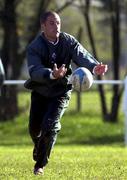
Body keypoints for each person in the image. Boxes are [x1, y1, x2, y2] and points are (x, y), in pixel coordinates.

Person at [25, 11, 108, 175]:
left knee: (50, 126)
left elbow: (81, 54)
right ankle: (40, 145)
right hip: (40, 91)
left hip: (60, 92)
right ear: (43, 26)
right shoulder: (35, 47)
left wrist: (94, 66)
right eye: (52, 23)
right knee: (35, 129)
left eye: (58, 23)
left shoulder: (67, 41)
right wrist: (51, 74)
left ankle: (39, 166)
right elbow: (34, 71)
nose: (56, 26)